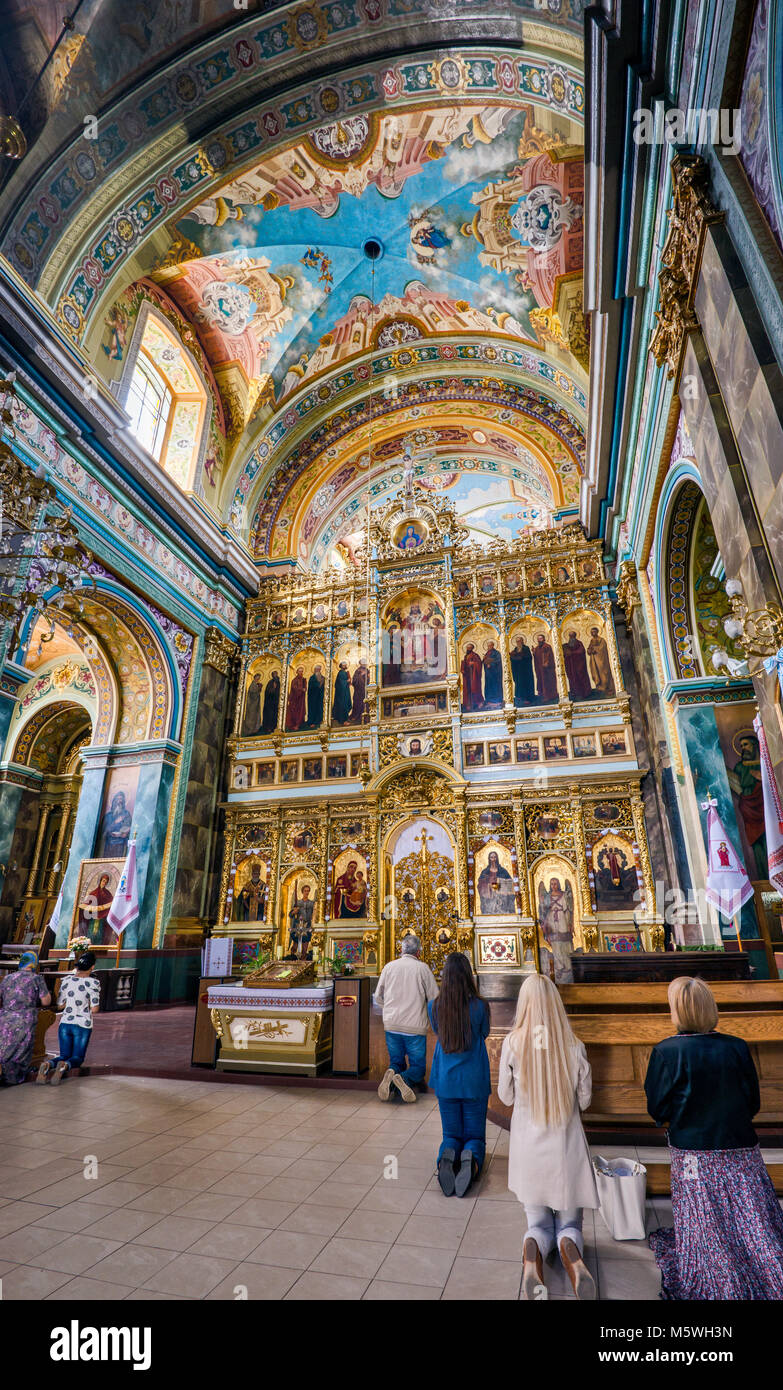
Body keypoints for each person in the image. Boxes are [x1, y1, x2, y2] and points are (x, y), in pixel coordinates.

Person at [645, 975, 783, 1299]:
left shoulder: (666, 1052)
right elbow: (753, 1102)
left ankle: (719, 1269)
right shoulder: (736, 1047)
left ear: (676, 1011)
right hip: (740, 1145)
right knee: (752, 1217)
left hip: (693, 1152)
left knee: (707, 1225)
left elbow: (658, 1108)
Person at [498, 973, 598, 1300]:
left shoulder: (512, 1044)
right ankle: (572, 1253)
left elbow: (505, 1097)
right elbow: (585, 1100)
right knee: (570, 1222)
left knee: (537, 1223)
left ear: (523, 1004)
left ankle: (532, 1253)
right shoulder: (574, 1046)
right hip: (566, 1149)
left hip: (529, 1149)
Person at [428, 953, 491, 1196]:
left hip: (446, 1078)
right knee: (474, 1134)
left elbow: (437, 1031)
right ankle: (471, 1160)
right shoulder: (480, 1006)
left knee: (451, 1133)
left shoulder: (434, 1006)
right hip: (474, 1078)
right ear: (468, 976)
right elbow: (484, 1033)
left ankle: (446, 1158)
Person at [375, 934, 438, 1103]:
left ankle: (393, 1073)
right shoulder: (422, 968)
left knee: (396, 1060)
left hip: (391, 1024)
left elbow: (378, 996)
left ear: (401, 950)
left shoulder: (389, 967)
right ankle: (405, 1079)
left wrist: (388, 1009)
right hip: (414, 1026)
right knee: (417, 1067)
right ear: (418, 952)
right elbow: (434, 998)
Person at [37, 950, 99, 1084]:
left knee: (64, 1055)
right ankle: (64, 1066)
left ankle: (48, 1065)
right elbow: (95, 1009)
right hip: (82, 1025)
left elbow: (60, 1006)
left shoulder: (66, 981)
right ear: (92, 967)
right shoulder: (93, 983)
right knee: (77, 1058)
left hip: (65, 1024)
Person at [0, 951, 51, 1085]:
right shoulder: (36, 979)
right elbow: (46, 1002)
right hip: (25, 1018)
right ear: (34, 963)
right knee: (21, 1049)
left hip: (5, 1017)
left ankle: (4, 1074)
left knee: (5, 1047)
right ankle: (14, 1078)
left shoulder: (7, 978)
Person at [99, 791, 132, 857]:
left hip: (121, 844)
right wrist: (115, 822)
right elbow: (104, 832)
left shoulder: (126, 814)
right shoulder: (108, 816)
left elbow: (129, 828)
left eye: (121, 799)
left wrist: (125, 833)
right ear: (114, 801)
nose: (119, 801)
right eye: (118, 799)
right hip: (109, 844)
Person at [563, 629, 592, 700]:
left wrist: (572, 653)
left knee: (580, 677)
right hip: (570, 665)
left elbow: (581, 651)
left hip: (579, 664)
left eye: (572, 635)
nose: (571, 637)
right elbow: (565, 654)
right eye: (570, 635)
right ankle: (575, 693)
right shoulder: (567, 645)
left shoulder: (579, 643)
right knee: (572, 678)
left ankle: (583, 693)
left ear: (575, 636)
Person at [587, 626, 615, 697]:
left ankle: (606, 687)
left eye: (594, 631)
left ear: (597, 632)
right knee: (596, 673)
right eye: (591, 632)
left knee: (604, 672)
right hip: (594, 661)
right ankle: (599, 687)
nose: (593, 633)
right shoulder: (592, 641)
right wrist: (589, 650)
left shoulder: (601, 640)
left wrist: (594, 649)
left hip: (602, 660)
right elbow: (589, 648)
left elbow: (602, 648)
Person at [533, 633, 558, 703]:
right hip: (540, 669)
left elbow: (549, 656)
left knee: (548, 682)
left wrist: (547, 663)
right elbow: (537, 658)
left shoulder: (547, 646)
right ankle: (542, 695)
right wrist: (534, 653)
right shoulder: (537, 648)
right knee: (541, 681)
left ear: (544, 639)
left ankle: (549, 696)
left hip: (547, 670)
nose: (539, 640)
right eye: (538, 639)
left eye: (540, 638)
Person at [510, 636, 535, 706]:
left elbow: (528, 657)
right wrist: (512, 656)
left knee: (526, 684)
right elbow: (512, 658)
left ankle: (527, 698)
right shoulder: (515, 649)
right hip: (518, 670)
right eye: (517, 641)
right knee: (518, 683)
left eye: (519, 641)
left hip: (525, 671)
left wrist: (520, 657)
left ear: (522, 641)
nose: (518, 642)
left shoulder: (526, 648)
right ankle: (520, 697)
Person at [461, 642, 483, 711]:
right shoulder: (465, 656)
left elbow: (479, 663)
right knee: (468, 690)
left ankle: (477, 704)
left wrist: (473, 663)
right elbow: (464, 664)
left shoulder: (475, 655)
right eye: (467, 648)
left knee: (475, 689)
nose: (468, 649)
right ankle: (468, 705)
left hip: (474, 677)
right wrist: (463, 668)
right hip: (467, 676)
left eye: (469, 648)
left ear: (472, 648)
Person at [285, 667, 307, 731]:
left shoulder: (303, 680)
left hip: (301, 699)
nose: (301, 673)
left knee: (301, 711)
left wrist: (304, 689)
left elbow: (305, 688)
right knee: (294, 711)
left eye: (302, 671)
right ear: (297, 672)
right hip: (295, 699)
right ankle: (294, 725)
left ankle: (299, 724)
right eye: (300, 671)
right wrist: (301, 689)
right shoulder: (294, 680)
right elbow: (294, 687)